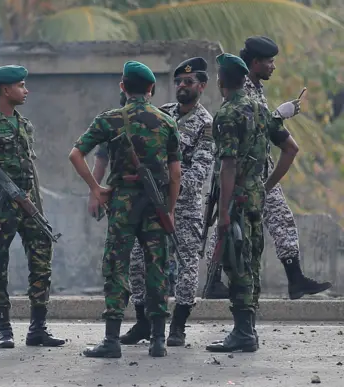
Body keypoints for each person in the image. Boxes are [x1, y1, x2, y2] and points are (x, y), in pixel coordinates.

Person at [93, 57, 215, 347]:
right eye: (178, 82)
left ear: (202, 86)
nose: (182, 87)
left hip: (182, 208)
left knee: (185, 266)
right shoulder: (164, 113)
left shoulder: (207, 124)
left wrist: (168, 193)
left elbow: (199, 170)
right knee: (138, 263)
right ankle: (143, 323)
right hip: (147, 203)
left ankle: (178, 326)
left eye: (188, 82)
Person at [204, 36, 331, 301]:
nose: (273, 66)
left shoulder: (256, 87)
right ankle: (214, 280)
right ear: (255, 63)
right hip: (242, 171)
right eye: (269, 62)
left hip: (260, 168)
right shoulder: (241, 85)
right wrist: (279, 115)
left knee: (283, 221)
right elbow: (253, 121)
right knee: (226, 224)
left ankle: (296, 280)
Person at [69, 61, 182, 359]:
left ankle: (111, 340)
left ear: (122, 87)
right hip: (155, 203)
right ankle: (159, 340)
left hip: (122, 203)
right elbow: (176, 175)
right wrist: (168, 209)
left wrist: (96, 187)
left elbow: (76, 154)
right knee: (156, 268)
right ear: (151, 89)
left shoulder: (109, 119)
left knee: (116, 266)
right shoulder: (167, 121)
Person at [206, 53, 298, 352]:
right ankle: (248, 330)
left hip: (236, 201)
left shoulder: (228, 114)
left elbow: (228, 166)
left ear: (221, 81)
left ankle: (243, 332)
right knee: (252, 262)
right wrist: (266, 186)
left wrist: (223, 213)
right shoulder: (260, 109)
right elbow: (290, 148)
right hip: (255, 198)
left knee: (236, 263)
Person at [0, 65, 65, 349]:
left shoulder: (25, 125)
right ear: (6, 89)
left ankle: (37, 328)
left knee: (41, 261)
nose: (26, 91)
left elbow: (30, 171)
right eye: (21, 86)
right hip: (1, 208)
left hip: (28, 206)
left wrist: (36, 206)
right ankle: (4, 329)